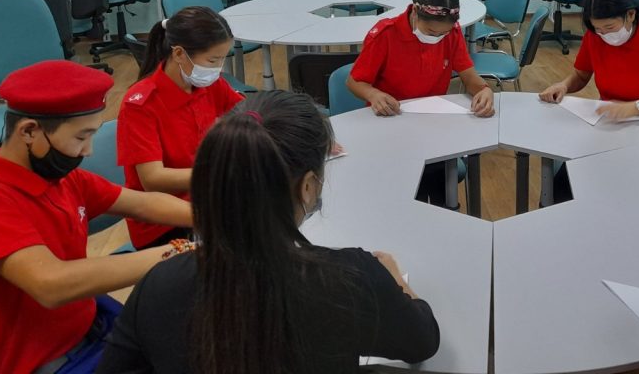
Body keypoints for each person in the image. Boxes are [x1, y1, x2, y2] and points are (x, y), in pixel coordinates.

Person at [97, 91, 441, 374]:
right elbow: (422, 341)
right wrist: (397, 282)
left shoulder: (158, 285)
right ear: (308, 186)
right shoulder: (350, 279)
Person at [0, 60, 193, 374]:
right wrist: (184, 250)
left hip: (90, 326)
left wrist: (215, 218)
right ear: (29, 131)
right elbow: (52, 284)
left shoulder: (61, 179)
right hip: (49, 361)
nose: (88, 151)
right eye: (81, 137)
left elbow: (143, 204)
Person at [346, 0, 495, 205]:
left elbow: (469, 76)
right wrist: (374, 95)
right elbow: (354, 81)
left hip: (431, 124)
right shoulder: (386, 34)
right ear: (415, 12)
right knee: (404, 190)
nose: (436, 37)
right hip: (390, 122)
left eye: (442, 33)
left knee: (439, 180)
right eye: (431, 31)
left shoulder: (451, 33)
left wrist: (484, 90)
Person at [117, 6, 244, 248]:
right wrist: (220, 172)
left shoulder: (207, 85)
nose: (218, 68)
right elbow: (153, 179)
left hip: (203, 200)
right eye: (213, 60)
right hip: (162, 223)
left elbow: (248, 112)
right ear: (178, 54)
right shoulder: (141, 105)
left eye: (222, 59)